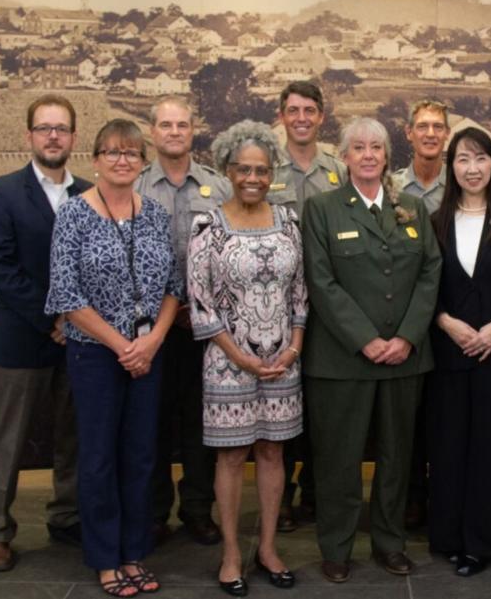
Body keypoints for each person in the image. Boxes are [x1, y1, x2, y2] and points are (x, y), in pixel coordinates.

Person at [301, 117, 442, 584]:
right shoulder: (322, 209)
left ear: (386, 156)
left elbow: (429, 273)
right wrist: (367, 339)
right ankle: (337, 547)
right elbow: (321, 282)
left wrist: (405, 337)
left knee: (398, 458)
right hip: (343, 361)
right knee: (338, 459)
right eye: (357, 147)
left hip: (404, 358)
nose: (367, 155)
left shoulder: (412, 210)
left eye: (376, 148)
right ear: (343, 156)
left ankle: (389, 542)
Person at [46, 119, 182, 597]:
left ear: (143, 162)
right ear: (95, 159)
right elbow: (66, 295)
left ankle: (133, 552)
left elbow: (172, 290)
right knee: (100, 458)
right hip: (97, 357)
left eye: (131, 153)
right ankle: (105, 558)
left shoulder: (155, 215)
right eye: (113, 153)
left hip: (149, 353)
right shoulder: (74, 215)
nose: (122, 161)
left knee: (143, 457)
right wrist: (121, 346)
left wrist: (151, 342)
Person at [187, 121, 307, 596]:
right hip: (227, 363)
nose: (253, 177)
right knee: (233, 456)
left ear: (271, 171)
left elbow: (301, 295)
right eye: (243, 169)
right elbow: (200, 304)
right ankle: (233, 553)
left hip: (283, 360)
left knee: (274, 452)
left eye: (261, 169)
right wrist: (243, 357)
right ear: (227, 170)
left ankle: (269, 548)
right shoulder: (207, 225)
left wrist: (292, 349)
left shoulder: (289, 222)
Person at [0, 94, 90, 572]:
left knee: (74, 438)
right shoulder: (3, 193)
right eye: (44, 128)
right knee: (8, 441)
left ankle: (66, 517)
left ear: (73, 138)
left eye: (61, 128)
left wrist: (77, 322)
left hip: (80, 342)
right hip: (21, 340)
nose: (52, 136)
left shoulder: (90, 193)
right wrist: (52, 319)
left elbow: (94, 268)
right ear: (29, 136)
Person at [427, 127, 491, 576]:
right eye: (463, 160)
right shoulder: (434, 221)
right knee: (450, 446)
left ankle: (485, 541)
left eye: (481, 159)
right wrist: (447, 322)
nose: (472, 168)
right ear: (452, 168)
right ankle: (449, 535)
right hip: (449, 354)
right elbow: (423, 287)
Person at [138, 95, 230, 547]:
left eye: (182, 125)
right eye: (165, 124)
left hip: (206, 331)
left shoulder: (219, 188)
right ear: (151, 132)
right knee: (151, 423)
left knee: (201, 425)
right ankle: (154, 512)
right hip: (150, 331)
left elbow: (232, 256)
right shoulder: (135, 188)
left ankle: (197, 508)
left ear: (194, 130)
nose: (174, 132)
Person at [272, 81, 346, 532]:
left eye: (310, 110)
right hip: (274, 310)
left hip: (328, 310)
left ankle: (318, 492)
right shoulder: (263, 167)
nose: (301, 118)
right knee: (279, 405)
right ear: (281, 116)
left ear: (322, 117)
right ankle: (279, 499)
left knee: (325, 410)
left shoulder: (338, 171)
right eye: (293, 110)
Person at [390, 98, 450, 528]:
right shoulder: (391, 187)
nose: (430, 133)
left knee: (441, 416)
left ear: (447, 135)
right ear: (408, 133)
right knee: (404, 419)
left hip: (454, 318)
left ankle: (442, 495)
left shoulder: (464, 182)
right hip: (404, 318)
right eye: (422, 126)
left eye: (438, 127)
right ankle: (409, 498)